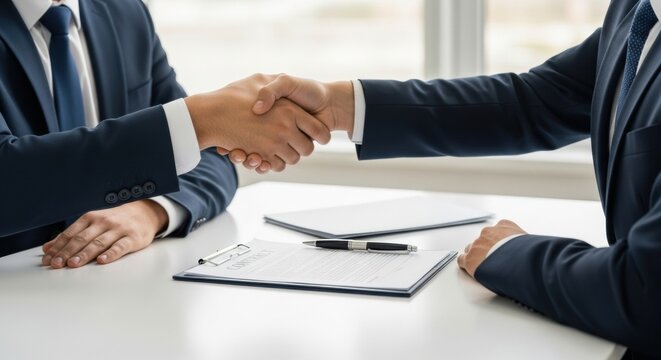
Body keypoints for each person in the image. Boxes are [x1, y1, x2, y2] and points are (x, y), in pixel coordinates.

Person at [225, 0, 661, 357]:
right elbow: (537, 100)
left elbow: (644, 290)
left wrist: (511, 253)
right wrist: (341, 106)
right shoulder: (637, 9)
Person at [0, 0, 330, 267]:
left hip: (118, 288)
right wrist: (199, 120)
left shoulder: (125, 13)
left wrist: (153, 209)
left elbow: (208, 156)